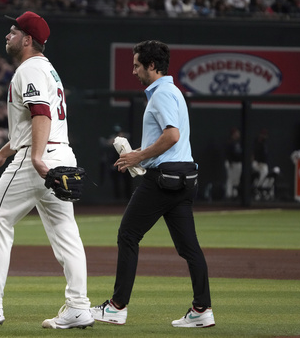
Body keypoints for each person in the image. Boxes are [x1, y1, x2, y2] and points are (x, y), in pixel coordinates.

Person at [0, 11, 93, 329]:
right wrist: (3, 153)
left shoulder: (28, 69)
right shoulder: (48, 70)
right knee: (66, 234)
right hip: (61, 154)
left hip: (37, 159)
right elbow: (33, 123)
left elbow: (40, 115)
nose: (7, 35)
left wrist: (37, 158)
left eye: (13, 31)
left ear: (28, 40)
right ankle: (79, 306)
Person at [90, 40, 215, 328]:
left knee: (128, 235)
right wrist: (141, 157)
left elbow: (171, 136)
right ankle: (201, 309)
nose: (133, 71)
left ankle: (116, 307)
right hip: (185, 178)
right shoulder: (174, 91)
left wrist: (138, 157)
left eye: (136, 65)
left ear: (151, 66)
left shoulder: (160, 94)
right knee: (189, 248)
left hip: (164, 179)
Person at [225, 127, 242, 199]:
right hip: (231, 163)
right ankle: (229, 194)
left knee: (236, 180)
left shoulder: (238, 143)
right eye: (236, 133)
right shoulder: (230, 142)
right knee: (230, 179)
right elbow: (227, 153)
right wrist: (230, 162)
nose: (238, 134)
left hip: (238, 163)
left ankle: (234, 194)